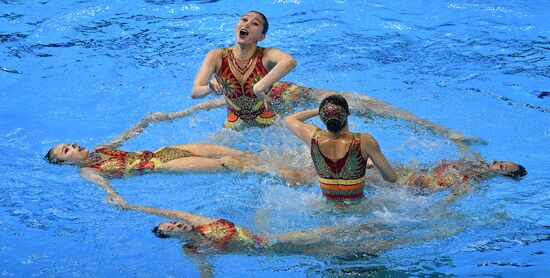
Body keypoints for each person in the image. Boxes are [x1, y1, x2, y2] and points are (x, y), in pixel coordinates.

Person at [44, 142, 308, 203]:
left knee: (238, 154)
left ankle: (301, 161)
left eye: (69, 143)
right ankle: (297, 177)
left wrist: (148, 120)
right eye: (67, 151)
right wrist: (116, 198)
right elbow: (106, 189)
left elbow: (128, 135)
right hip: (163, 166)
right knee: (230, 163)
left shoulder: (102, 148)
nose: (73, 145)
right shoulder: (88, 171)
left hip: (167, 150)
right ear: (67, 163)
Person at [190, 11, 313, 129]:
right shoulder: (216, 56)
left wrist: (259, 87)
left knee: (321, 97)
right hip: (235, 123)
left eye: (255, 23)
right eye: (244, 19)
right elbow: (195, 92)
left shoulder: (266, 55)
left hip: (271, 120)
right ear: (236, 27)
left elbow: (289, 61)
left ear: (261, 37)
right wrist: (209, 88)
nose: (247, 24)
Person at [284, 95, 397, 204]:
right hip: (358, 208)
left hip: (326, 208)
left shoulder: (313, 136)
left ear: (322, 116)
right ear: (348, 113)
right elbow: (391, 178)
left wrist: (319, 110)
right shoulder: (365, 141)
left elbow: (289, 119)